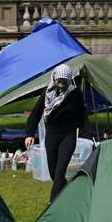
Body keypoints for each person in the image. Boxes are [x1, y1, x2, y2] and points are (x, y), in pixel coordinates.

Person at [23, 63, 87, 203]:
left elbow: (82, 116)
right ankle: (69, 197)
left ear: (69, 80)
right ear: (54, 79)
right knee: (54, 174)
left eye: (64, 82)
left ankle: (53, 204)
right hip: (51, 135)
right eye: (59, 81)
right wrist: (29, 133)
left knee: (59, 172)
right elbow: (36, 113)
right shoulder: (47, 94)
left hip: (68, 136)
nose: (61, 85)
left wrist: (84, 131)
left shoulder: (75, 94)